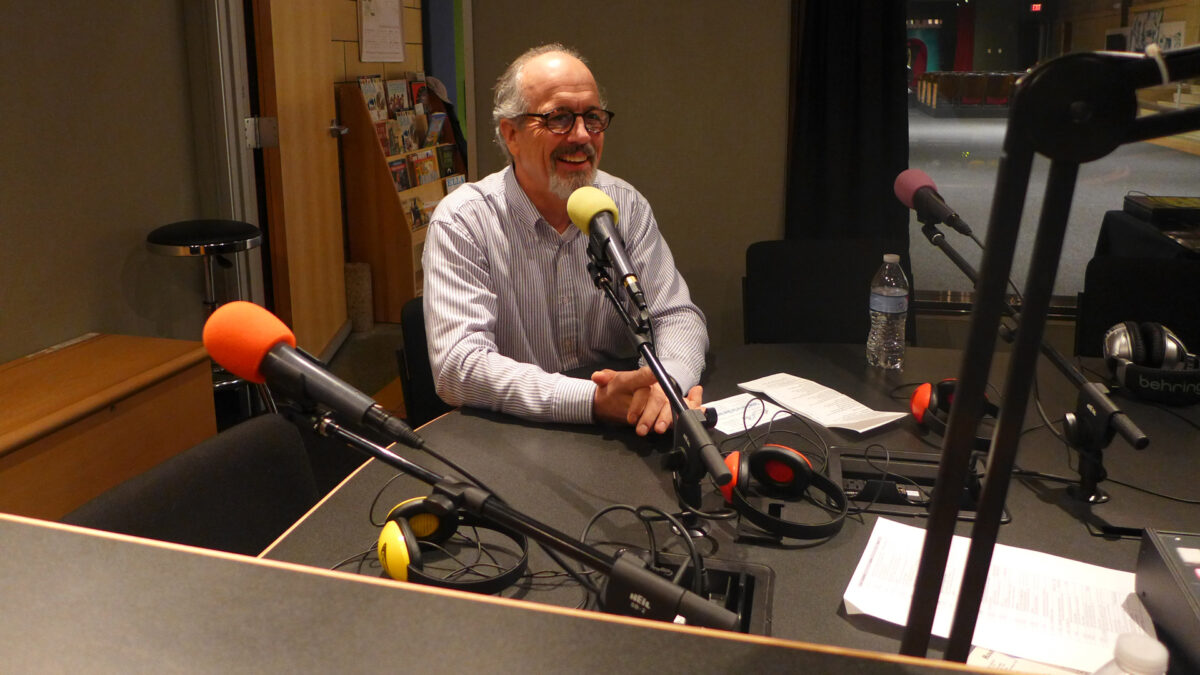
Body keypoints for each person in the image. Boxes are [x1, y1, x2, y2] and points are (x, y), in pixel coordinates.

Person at [422, 43, 708, 436]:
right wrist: (590, 401)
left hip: (625, 428)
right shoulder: (463, 221)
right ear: (511, 135)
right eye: (558, 118)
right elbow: (459, 365)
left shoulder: (624, 204)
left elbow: (675, 316)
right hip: (516, 435)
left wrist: (663, 385)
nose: (582, 135)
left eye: (593, 118)